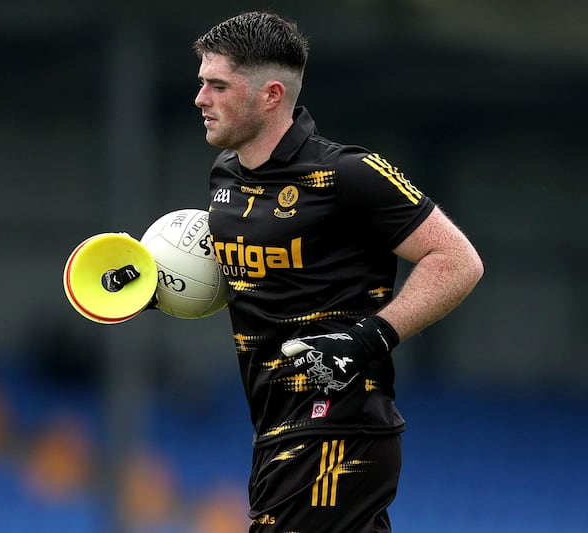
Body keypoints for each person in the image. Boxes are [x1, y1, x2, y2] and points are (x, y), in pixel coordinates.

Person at [193, 11, 483, 533]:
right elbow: (246, 277)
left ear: (271, 95)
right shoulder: (225, 178)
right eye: (202, 83)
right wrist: (163, 286)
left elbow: (457, 260)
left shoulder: (349, 173)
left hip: (337, 430)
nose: (200, 99)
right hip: (274, 430)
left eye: (218, 85)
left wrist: (367, 339)